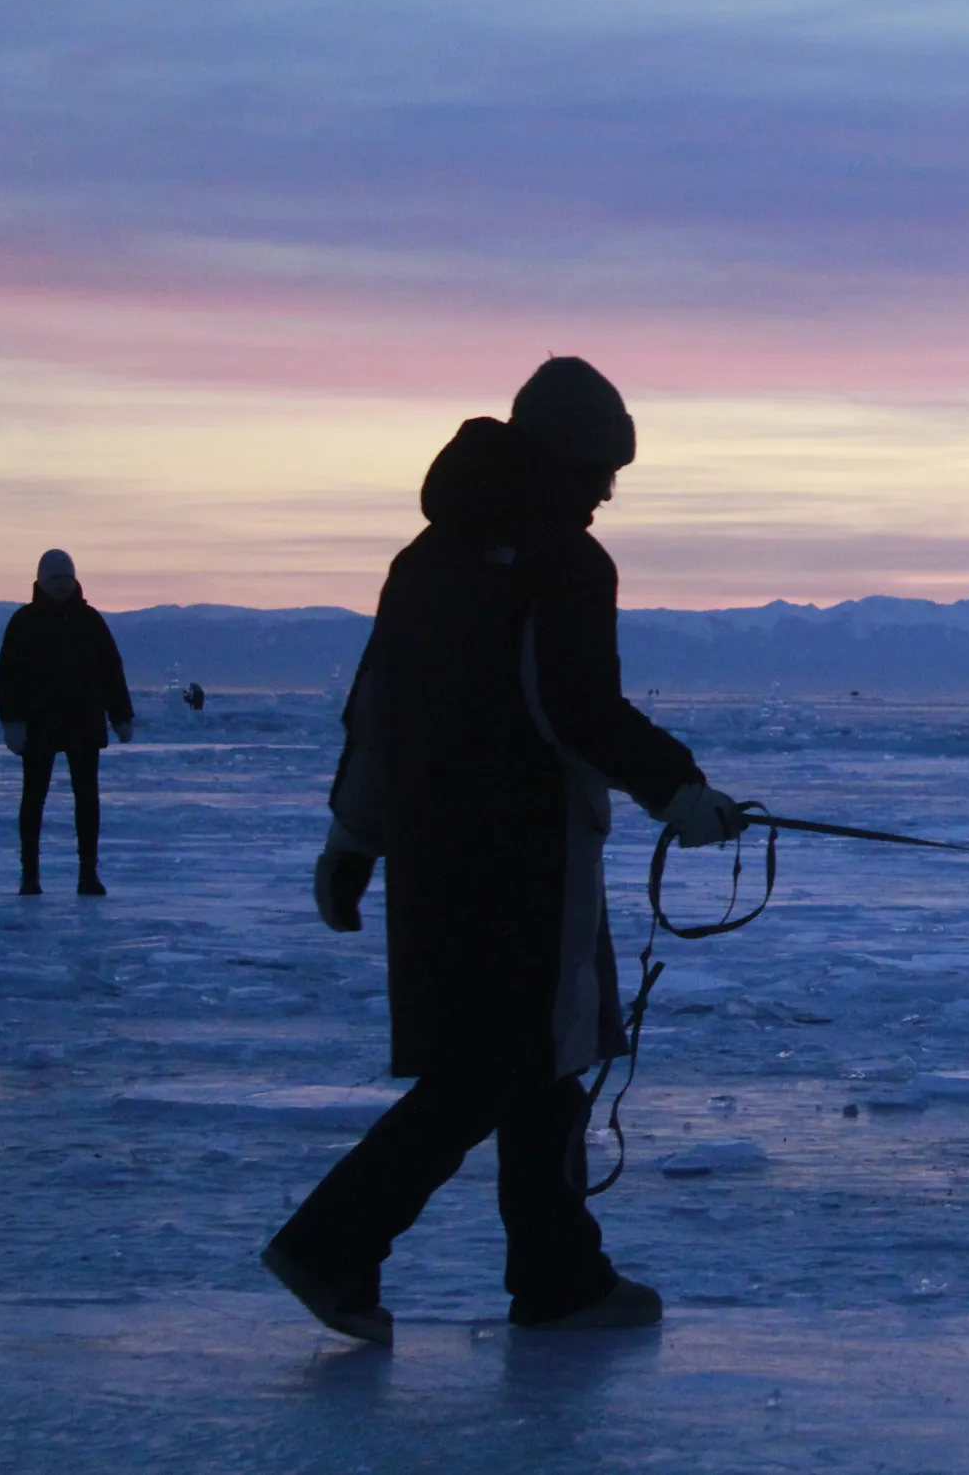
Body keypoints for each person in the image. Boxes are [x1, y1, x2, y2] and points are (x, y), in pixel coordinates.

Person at [261, 358, 746, 1345]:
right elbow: (576, 708)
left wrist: (354, 836)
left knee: (533, 1062)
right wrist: (680, 791)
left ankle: (558, 1274)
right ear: (568, 458)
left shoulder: (424, 560)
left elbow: (376, 718)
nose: (610, 490)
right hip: (526, 854)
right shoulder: (561, 563)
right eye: (604, 467)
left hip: (436, 856)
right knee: (491, 1067)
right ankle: (331, 1241)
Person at [0, 549, 133, 896]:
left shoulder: (90, 621)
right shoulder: (24, 621)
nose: (62, 586)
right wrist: (11, 721)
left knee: (86, 797)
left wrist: (121, 715)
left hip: (83, 721)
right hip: (38, 723)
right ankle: (30, 873)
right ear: (42, 581)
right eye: (55, 579)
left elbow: (111, 670)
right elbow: (8, 676)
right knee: (34, 796)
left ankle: (88, 873)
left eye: (67, 579)